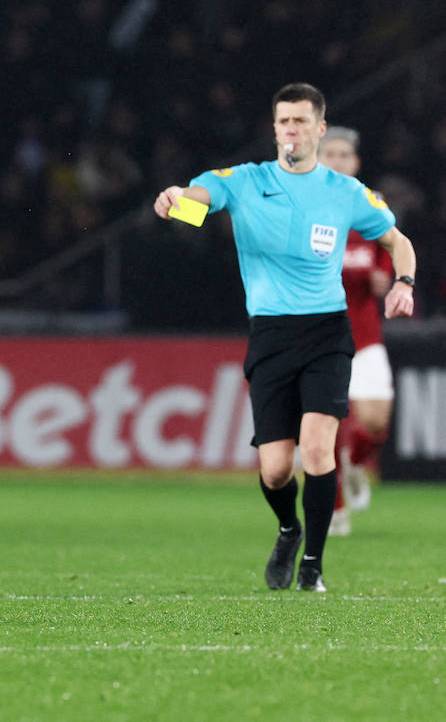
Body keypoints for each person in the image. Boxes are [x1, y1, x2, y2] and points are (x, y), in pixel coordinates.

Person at [153, 83, 416, 592]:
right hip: (271, 336)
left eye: (300, 122)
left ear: (319, 128)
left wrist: (404, 283)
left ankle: (313, 566)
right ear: (274, 129)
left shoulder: (344, 192)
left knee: (318, 453)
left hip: (327, 332)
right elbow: (197, 204)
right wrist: (175, 201)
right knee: (275, 470)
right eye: (282, 122)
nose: (290, 131)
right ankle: (289, 529)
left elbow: (397, 240)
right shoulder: (246, 181)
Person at [317, 126, 399, 535]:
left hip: (365, 333)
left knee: (375, 422)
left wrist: (389, 278)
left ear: (356, 163)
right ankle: (335, 509)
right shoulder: (307, 207)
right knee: (323, 424)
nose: (336, 160)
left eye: (343, 154)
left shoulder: (371, 208)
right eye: (328, 153)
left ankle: (354, 463)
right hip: (319, 334)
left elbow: (389, 250)